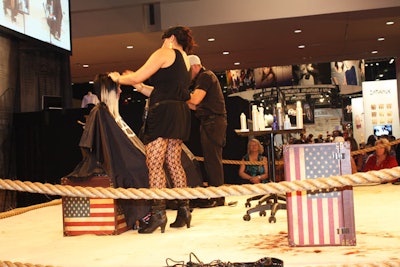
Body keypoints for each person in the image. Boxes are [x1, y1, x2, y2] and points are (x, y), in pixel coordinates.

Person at [108, 26, 196, 234]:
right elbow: (160, 90)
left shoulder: (165, 52)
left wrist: (116, 78)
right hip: (179, 113)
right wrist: (138, 87)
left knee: (154, 163)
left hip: (164, 113)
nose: (161, 43)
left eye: (163, 39)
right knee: (174, 162)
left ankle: (158, 215)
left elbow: (137, 76)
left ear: (171, 38)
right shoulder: (184, 59)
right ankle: (184, 210)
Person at [67, 73, 150, 231]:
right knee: (137, 167)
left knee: (143, 162)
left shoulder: (110, 113)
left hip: (120, 157)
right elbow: (100, 146)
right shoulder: (100, 113)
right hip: (111, 161)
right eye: (117, 88)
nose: (120, 91)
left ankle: (147, 212)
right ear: (109, 91)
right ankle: (141, 216)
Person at [186, 54, 227, 208]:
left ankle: (218, 196)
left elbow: (195, 100)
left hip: (213, 122)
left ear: (195, 67)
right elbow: (195, 106)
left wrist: (179, 94)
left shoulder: (205, 77)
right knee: (211, 159)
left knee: (213, 160)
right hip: (209, 121)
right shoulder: (203, 78)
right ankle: (215, 195)